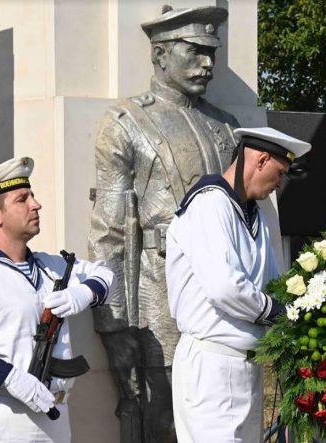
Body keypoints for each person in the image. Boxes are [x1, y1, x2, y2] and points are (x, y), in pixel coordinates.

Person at [88, 5, 239, 442]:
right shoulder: (126, 123)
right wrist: (113, 323)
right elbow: (109, 231)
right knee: (163, 420)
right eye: (195, 52)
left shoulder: (226, 126)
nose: (207, 64)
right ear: (160, 55)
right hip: (159, 299)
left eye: (211, 53)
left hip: (225, 301)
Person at [0, 157, 115, 443]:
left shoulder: (50, 266)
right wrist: (11, 377)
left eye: (33, 196)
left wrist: (84, 293)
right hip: (10, 415)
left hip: (57, 413)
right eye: (22, 199)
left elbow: (106, 274)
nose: (36, 204)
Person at [166, 127, 311, 442]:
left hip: (247, 363)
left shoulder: (254, 214)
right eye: (280, 173)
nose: (280, 183)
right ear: (261, 160)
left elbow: (272, 283)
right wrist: (277, 312)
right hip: (212, 365)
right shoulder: (209, 204)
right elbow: (224, 287)